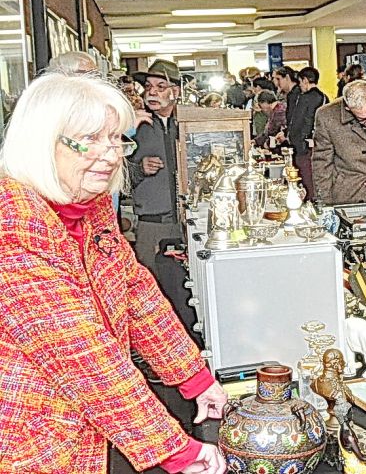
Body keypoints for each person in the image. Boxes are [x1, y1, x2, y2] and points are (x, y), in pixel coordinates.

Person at [0, 73, 227, 474]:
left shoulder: (91, 208)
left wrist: (194, 377)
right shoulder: (13, 225)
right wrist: (174, 450)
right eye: (89, 139)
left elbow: (135, 292)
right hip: (32, 439)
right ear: (41, 142)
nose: (110, 155)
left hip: (91, 423)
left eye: (115, 139)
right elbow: (81, 353)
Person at [128, 60, 183, 271]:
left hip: (189, 223)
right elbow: (117, 176)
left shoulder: (188, 125)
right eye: (148, 87)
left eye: (161, 87)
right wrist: (140, 168)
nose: (152, 92)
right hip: (151, 225)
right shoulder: (135, 127)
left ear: (175, 92)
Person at [290, 66, 328, 198]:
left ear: (305, 80)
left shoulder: (304, 98)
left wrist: (293, 139)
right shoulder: (324, 97)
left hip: (302, 145)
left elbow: (298, 121)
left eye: (300, 82)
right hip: (319, 143)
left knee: (306, 180)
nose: (300, 86)